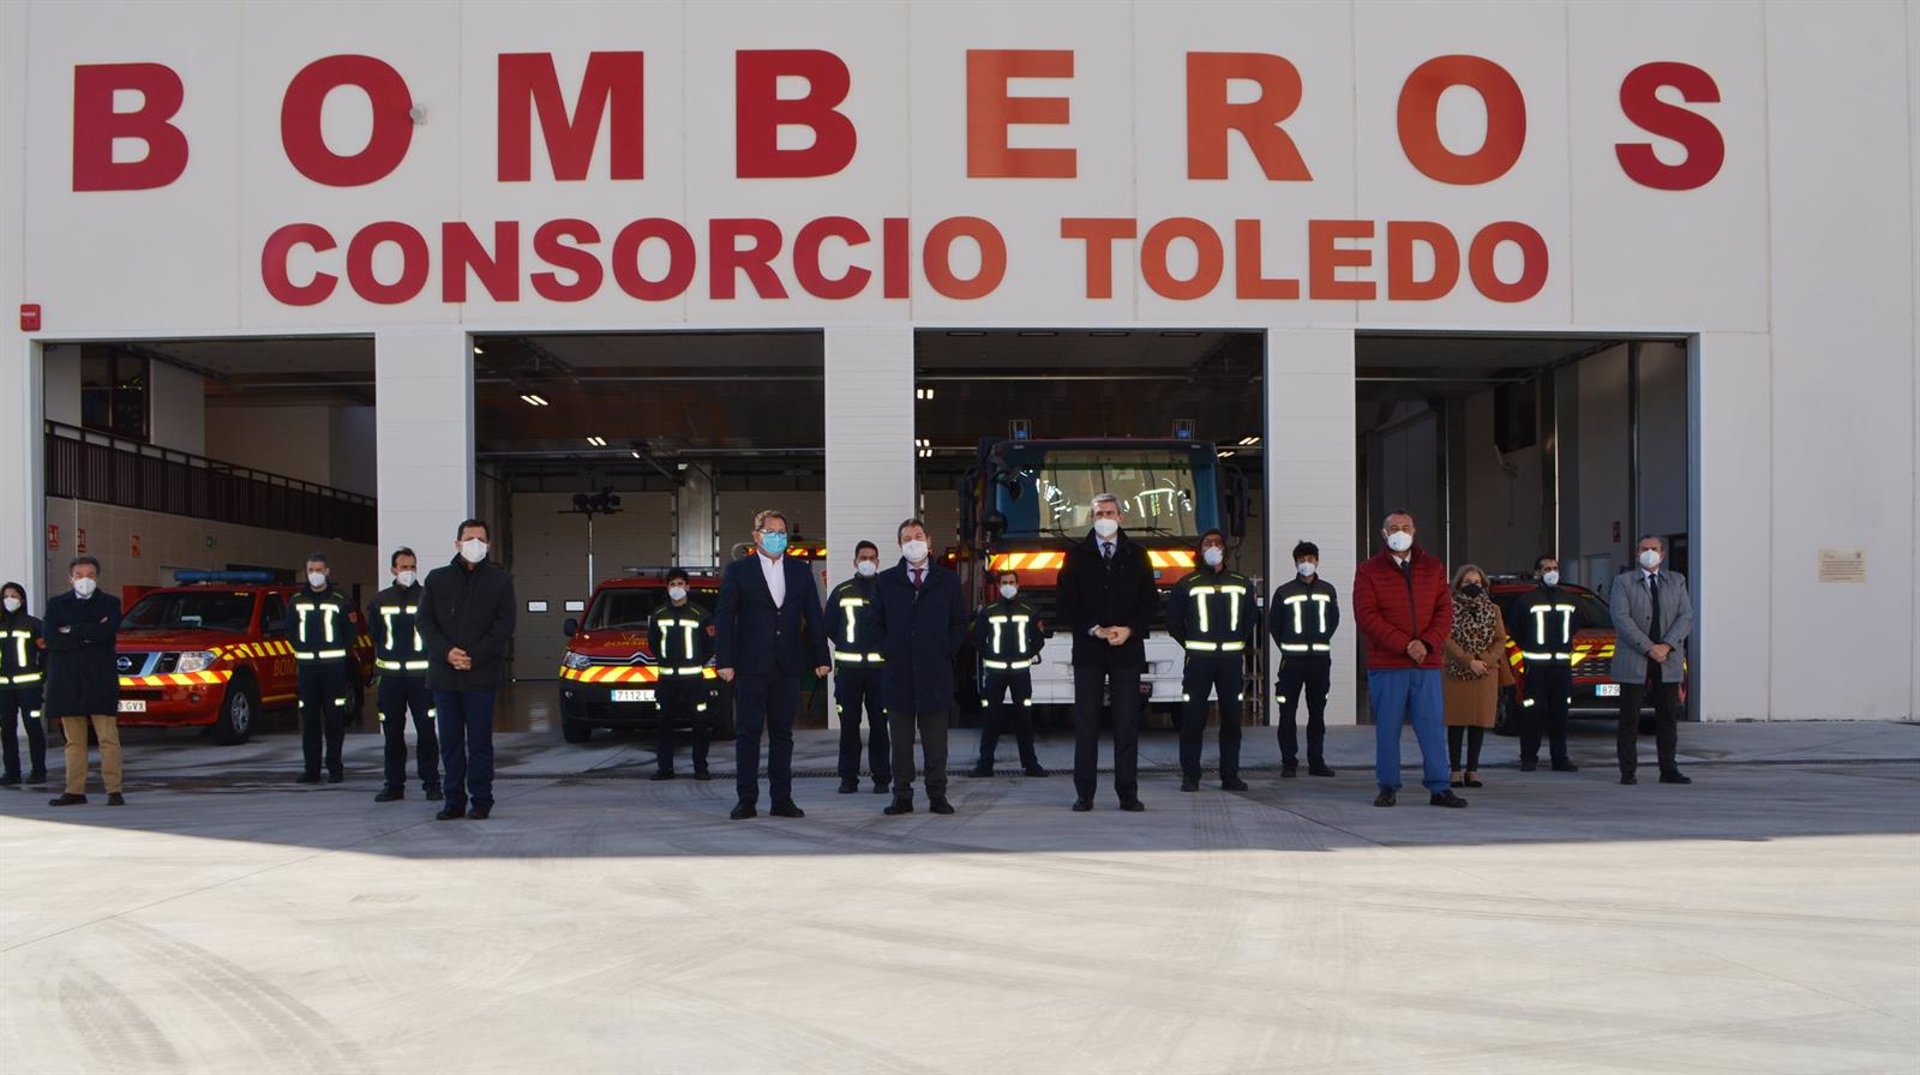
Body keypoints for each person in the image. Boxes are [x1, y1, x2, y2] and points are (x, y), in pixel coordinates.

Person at [714, 509, 829, 820]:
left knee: (783, 735)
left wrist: (821, 657)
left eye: (782, 533)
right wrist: (723, 660)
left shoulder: (799, 571)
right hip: (750, 665)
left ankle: (782, 799)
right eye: (772, 532)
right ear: (757, 536)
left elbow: (813, 616)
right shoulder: (739, 571)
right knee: (748, 734)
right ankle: (746, 800)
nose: (778, 537)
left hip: (788, 664)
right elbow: (724, 618)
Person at [1352, 511, 1466, 808]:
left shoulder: (1433, 568)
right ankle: (1388, 786)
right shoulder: (1368, 571)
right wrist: (1405, 645)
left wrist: (1426, 643)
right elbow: (1366, 615)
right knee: (1387, 729)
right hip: (1388, 665)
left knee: (1431, 728)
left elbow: (1444, 610)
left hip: (1425, 664)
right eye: (1393, 528)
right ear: (1383, 533)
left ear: (1414, 531)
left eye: (1405, 527)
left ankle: (1440, 787)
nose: (1399, 532)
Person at [1055, 493, 1158, 813]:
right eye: (1099, 512)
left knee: (1126, 723)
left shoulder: (1138, 555)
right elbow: (1066, 603)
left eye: (1110, 512)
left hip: (1126, 651)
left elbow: (1150, 602)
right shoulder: (1075, 556)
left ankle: (1128, 793)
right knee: (1087, 724)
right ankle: (1084, 793)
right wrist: (1093, 629)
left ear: (1121, 517)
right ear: (1091, 517)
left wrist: (1129, 629)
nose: (1105, 517)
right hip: (1089, 650)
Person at [417, 519, 516, 820]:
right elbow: (425, 622)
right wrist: (448, 653)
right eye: (469, 538)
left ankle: (482, 799)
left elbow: (504, 625)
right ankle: (453, 800)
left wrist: (473, 655)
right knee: (449, 742)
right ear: (457, 543)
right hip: (444, 676)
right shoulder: (437, 579)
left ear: (488, 545)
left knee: (480, 742)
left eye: (481, 539)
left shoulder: (499, 581)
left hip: (481, 675)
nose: (475, 544)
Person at [872, 520, 966, 816]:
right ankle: (902, 796)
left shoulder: (947, 581)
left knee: (936, 742)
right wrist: (888, 649)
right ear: (899, 545)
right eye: (906, 538)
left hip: (935, 674)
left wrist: (945, 649)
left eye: (917, 536)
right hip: (898, 674)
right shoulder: (885, 581)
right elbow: (874, 624)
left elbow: (959, 623)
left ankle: (937, 794)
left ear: (928, 540)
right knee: (900, 744)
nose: (913, 542)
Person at [1166, 529, 1254, 792]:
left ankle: (1230, 776)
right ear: (1200, 549)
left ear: (1225, 548)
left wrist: (1236, 641)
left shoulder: (1241, 582)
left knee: (1231, 720)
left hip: (1230, 662)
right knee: (1193, 718)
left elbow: (1250, 619)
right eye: (1207, 543)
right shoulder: (1186, 584)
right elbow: (1174, 623)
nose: (1213, 547)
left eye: (1217, 543)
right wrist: (1192, 645)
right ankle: (1191, 776)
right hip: (1198, 662)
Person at [1609, 535, 1694, 785]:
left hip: (1667, 660)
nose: (1649, 553)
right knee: (1629, 717)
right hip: (1635, 659)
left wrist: (1666, 645)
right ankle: (1628, 771)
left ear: (1663, 554)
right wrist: (1649, 648)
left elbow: (1686, 616)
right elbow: (1621, 619)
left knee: (1667, 717)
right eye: (1644, 549)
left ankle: (1668, 769)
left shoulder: (1677, 581)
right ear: (1637, 554)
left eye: (1654, 549)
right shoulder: (1623, 582)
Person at [43, 557, 123, 807]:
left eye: (89, 574)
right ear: (71, 578)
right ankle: (74, 790)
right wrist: (88, 632)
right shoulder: (56, 605)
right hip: (67, 680)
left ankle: (114, 790)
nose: (84, 579)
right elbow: (52, 640)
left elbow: (107, 632)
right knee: (74, 741)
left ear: (97, 578)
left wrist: (71, 630)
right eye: (79, 575)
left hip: (100, 679)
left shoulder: (110, 603)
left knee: (107, 739)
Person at [368, 548, 441, 802]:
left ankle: (431, 783)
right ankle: (394, 785)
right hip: (390, 680)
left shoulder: (427, 597)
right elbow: (375, 634)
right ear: (393, 570)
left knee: (427, 733)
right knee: (393, 734)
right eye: (403, 567)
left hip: (422, 679)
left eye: (412, 566)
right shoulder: (379, 600)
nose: (408, 571)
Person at [967, 568, 1048, 779]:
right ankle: (985, 766)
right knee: (991, 720)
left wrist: (1027, 655)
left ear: (1018, 585)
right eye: (1005, 582)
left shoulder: (1029, 610)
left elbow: (1039, 639)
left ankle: (1031, 765)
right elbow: (976, 639)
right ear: (999, 585)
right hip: (995, 673)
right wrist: (991, 655)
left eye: (1012, 582)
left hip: (1021, 673)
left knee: (1024, 720)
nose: (1008, 586)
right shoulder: (988, 611)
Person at [1269, 541, 1338, 778]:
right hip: (1292, 662)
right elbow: (1274, 625)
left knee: (1317, 713)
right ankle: (1289, 762)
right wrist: (1290, 647)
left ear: (1317, 560)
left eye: (1310, 558)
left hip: (1319, 661)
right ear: (1295, 562)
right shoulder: (1284, 591)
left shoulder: (1328, 590)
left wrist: (1318, 642)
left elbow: (1333, 620)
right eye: (1301, 560)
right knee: (1287, 713)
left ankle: (1316, 762)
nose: (1306, 563)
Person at [826, 541, 890, 794]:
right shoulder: (841, 592)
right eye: (863, 557)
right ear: (854, 561)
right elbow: (829, 626)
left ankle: (882, 779)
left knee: (879, 726)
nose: (867, 561)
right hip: (848, 672)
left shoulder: (886, 591)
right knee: (849, 727)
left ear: (878, 561)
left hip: (879, 672)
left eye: (872, 557)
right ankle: (848, 778)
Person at [287, 552, 356, 784]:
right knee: (310, 720)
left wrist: (338, 652)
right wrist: (302, 649)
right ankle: (311, 770)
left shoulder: (340, 599)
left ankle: (335, 768)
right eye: (310, 571)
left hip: (333, 669)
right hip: (307, 669)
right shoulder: (297, 600)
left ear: (327, 572)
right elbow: (290, 631)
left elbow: (350, 633)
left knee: (334, 720)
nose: (315, 575)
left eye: (319, 570)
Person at [1442, 564, 1511, 790]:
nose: (1473, 586)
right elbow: (1445, 638)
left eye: (1477, 582)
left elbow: (1500, 640)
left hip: (1485, 672)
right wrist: (1467, 660)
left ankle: (1472, 770)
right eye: (1468, 582)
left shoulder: (1493, 610)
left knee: (1478, 723)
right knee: (1456, 722)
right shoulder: (1447, 609)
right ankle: (1454, 770)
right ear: (1458, 584)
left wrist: (1485, 661)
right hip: (1456, 670)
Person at [647, 567, 715, 781]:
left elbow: (710, 645)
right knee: (664, 725)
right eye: (672, 585)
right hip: (667, 680)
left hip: (694, 680)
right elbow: (653, 644)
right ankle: (665, 768)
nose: (676, 588)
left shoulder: (701, 615)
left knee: (700, 725)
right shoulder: (658, 615)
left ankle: (700, 768)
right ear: (667, 588)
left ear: (688, 587)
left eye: (680, 584)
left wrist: (696, 663)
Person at [1512, 556, 1579, 772]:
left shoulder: (1570, 600)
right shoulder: (1526, 600)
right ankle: (1529, 757)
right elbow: (1517, 629)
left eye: (1555, 568)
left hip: (1561, 667)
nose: (1552, 572)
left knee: (1560, 714)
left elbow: (1575, 626)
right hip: (1536, 668)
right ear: (1538, 573)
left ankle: (1560, 758)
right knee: (1533, 713)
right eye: (1547, 568)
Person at [0, 581, 48, 786]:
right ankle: (12, 772)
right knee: (7, 730)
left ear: (22, 599)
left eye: (14, 596)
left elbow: (46, 652)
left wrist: (42, 675)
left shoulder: (34, 624)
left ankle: (38, 771)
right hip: (4, 688)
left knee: (33, 727)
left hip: (29, 687)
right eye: (6, 596)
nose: (9, 600)